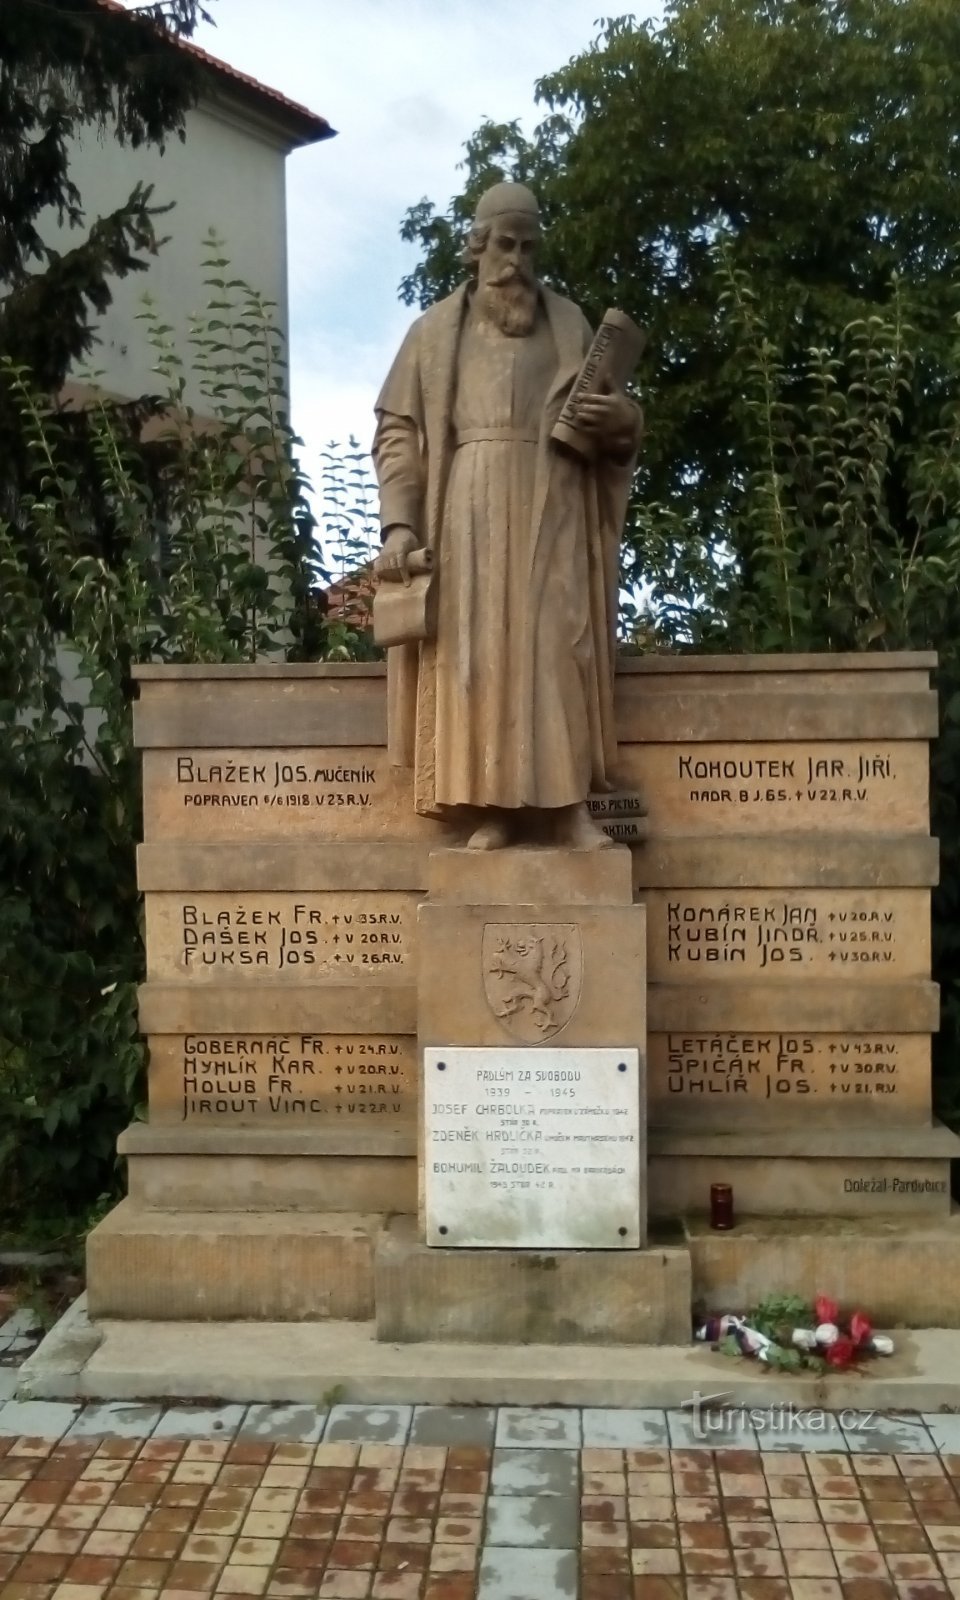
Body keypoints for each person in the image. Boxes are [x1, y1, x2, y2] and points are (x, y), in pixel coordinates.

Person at [373, 181, 642, 850]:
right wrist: (400, 524)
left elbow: (613, 415)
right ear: (476, 247)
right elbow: (398, 433)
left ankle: (567, 807)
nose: (516, 261)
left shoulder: (570, 323)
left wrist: (623, 421)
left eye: (527, 246)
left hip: (556, 502)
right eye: (503, 244)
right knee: (476, 658)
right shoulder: (434, 333)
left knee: (558, 646)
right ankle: (488, 805)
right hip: (468, 506)